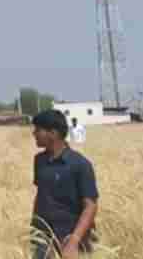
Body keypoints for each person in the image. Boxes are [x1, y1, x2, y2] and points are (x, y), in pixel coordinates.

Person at [31, 110, 98, 258]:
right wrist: (35, 229)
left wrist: (74, 240)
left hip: (72, 236)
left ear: (52, 133)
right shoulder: (39, 161)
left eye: (38, 130)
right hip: (43, 236)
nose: (33, 133)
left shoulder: (80, 164)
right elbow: (40, 194)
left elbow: (90, 206)